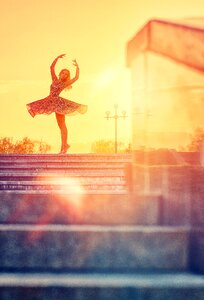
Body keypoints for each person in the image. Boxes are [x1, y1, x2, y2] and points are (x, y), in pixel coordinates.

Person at [26, 54, 87, 154]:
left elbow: (76, 78)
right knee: (60, 125)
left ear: (67, 77)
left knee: (62, 125)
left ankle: (64, 147)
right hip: (50, 101)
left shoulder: (64, 84)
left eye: (66, 74)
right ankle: (65, 145)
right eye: (63, 73)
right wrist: (57, 58)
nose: (64, 75)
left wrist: (77, 67)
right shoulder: (54, 79)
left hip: (59, 104)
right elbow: (51, 67)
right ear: (60, 74)